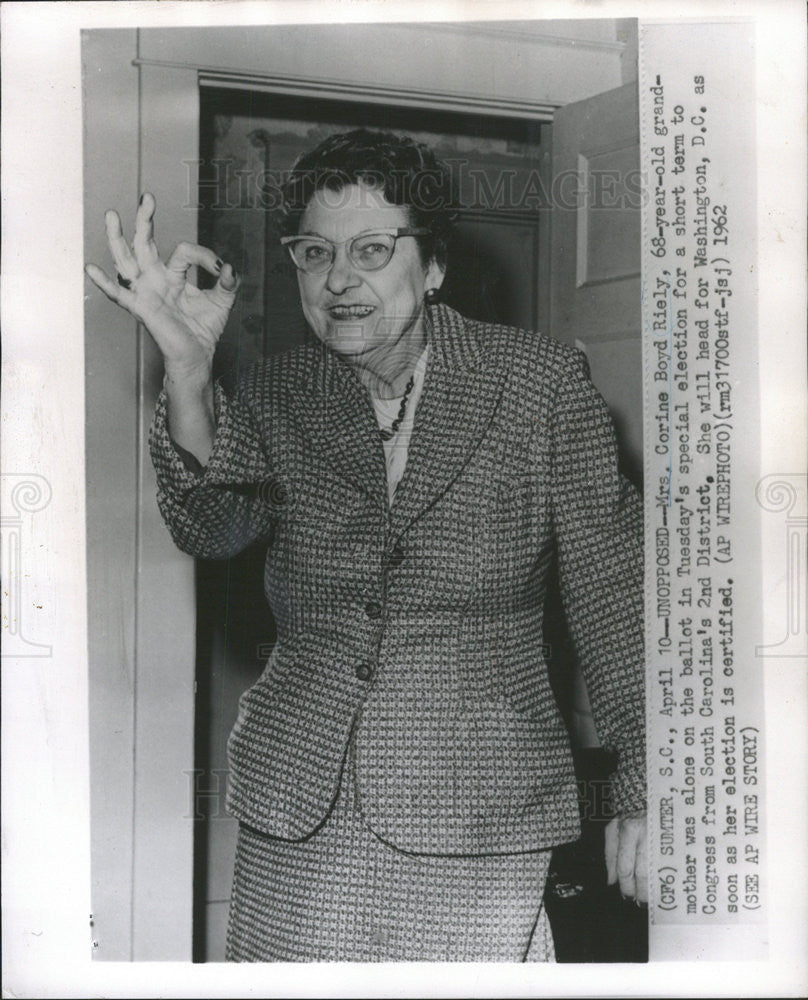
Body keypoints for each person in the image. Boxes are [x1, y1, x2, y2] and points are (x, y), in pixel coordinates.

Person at [86, 128, 647, 963]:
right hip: (299, 803)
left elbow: (615, 592)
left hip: (477, 809)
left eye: (372, 249)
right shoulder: (279, 392)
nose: (338, 279)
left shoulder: (538, 384)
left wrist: (650, 784)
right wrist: (189, 375)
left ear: (433, 266)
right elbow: (213, 528)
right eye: (314, 252)